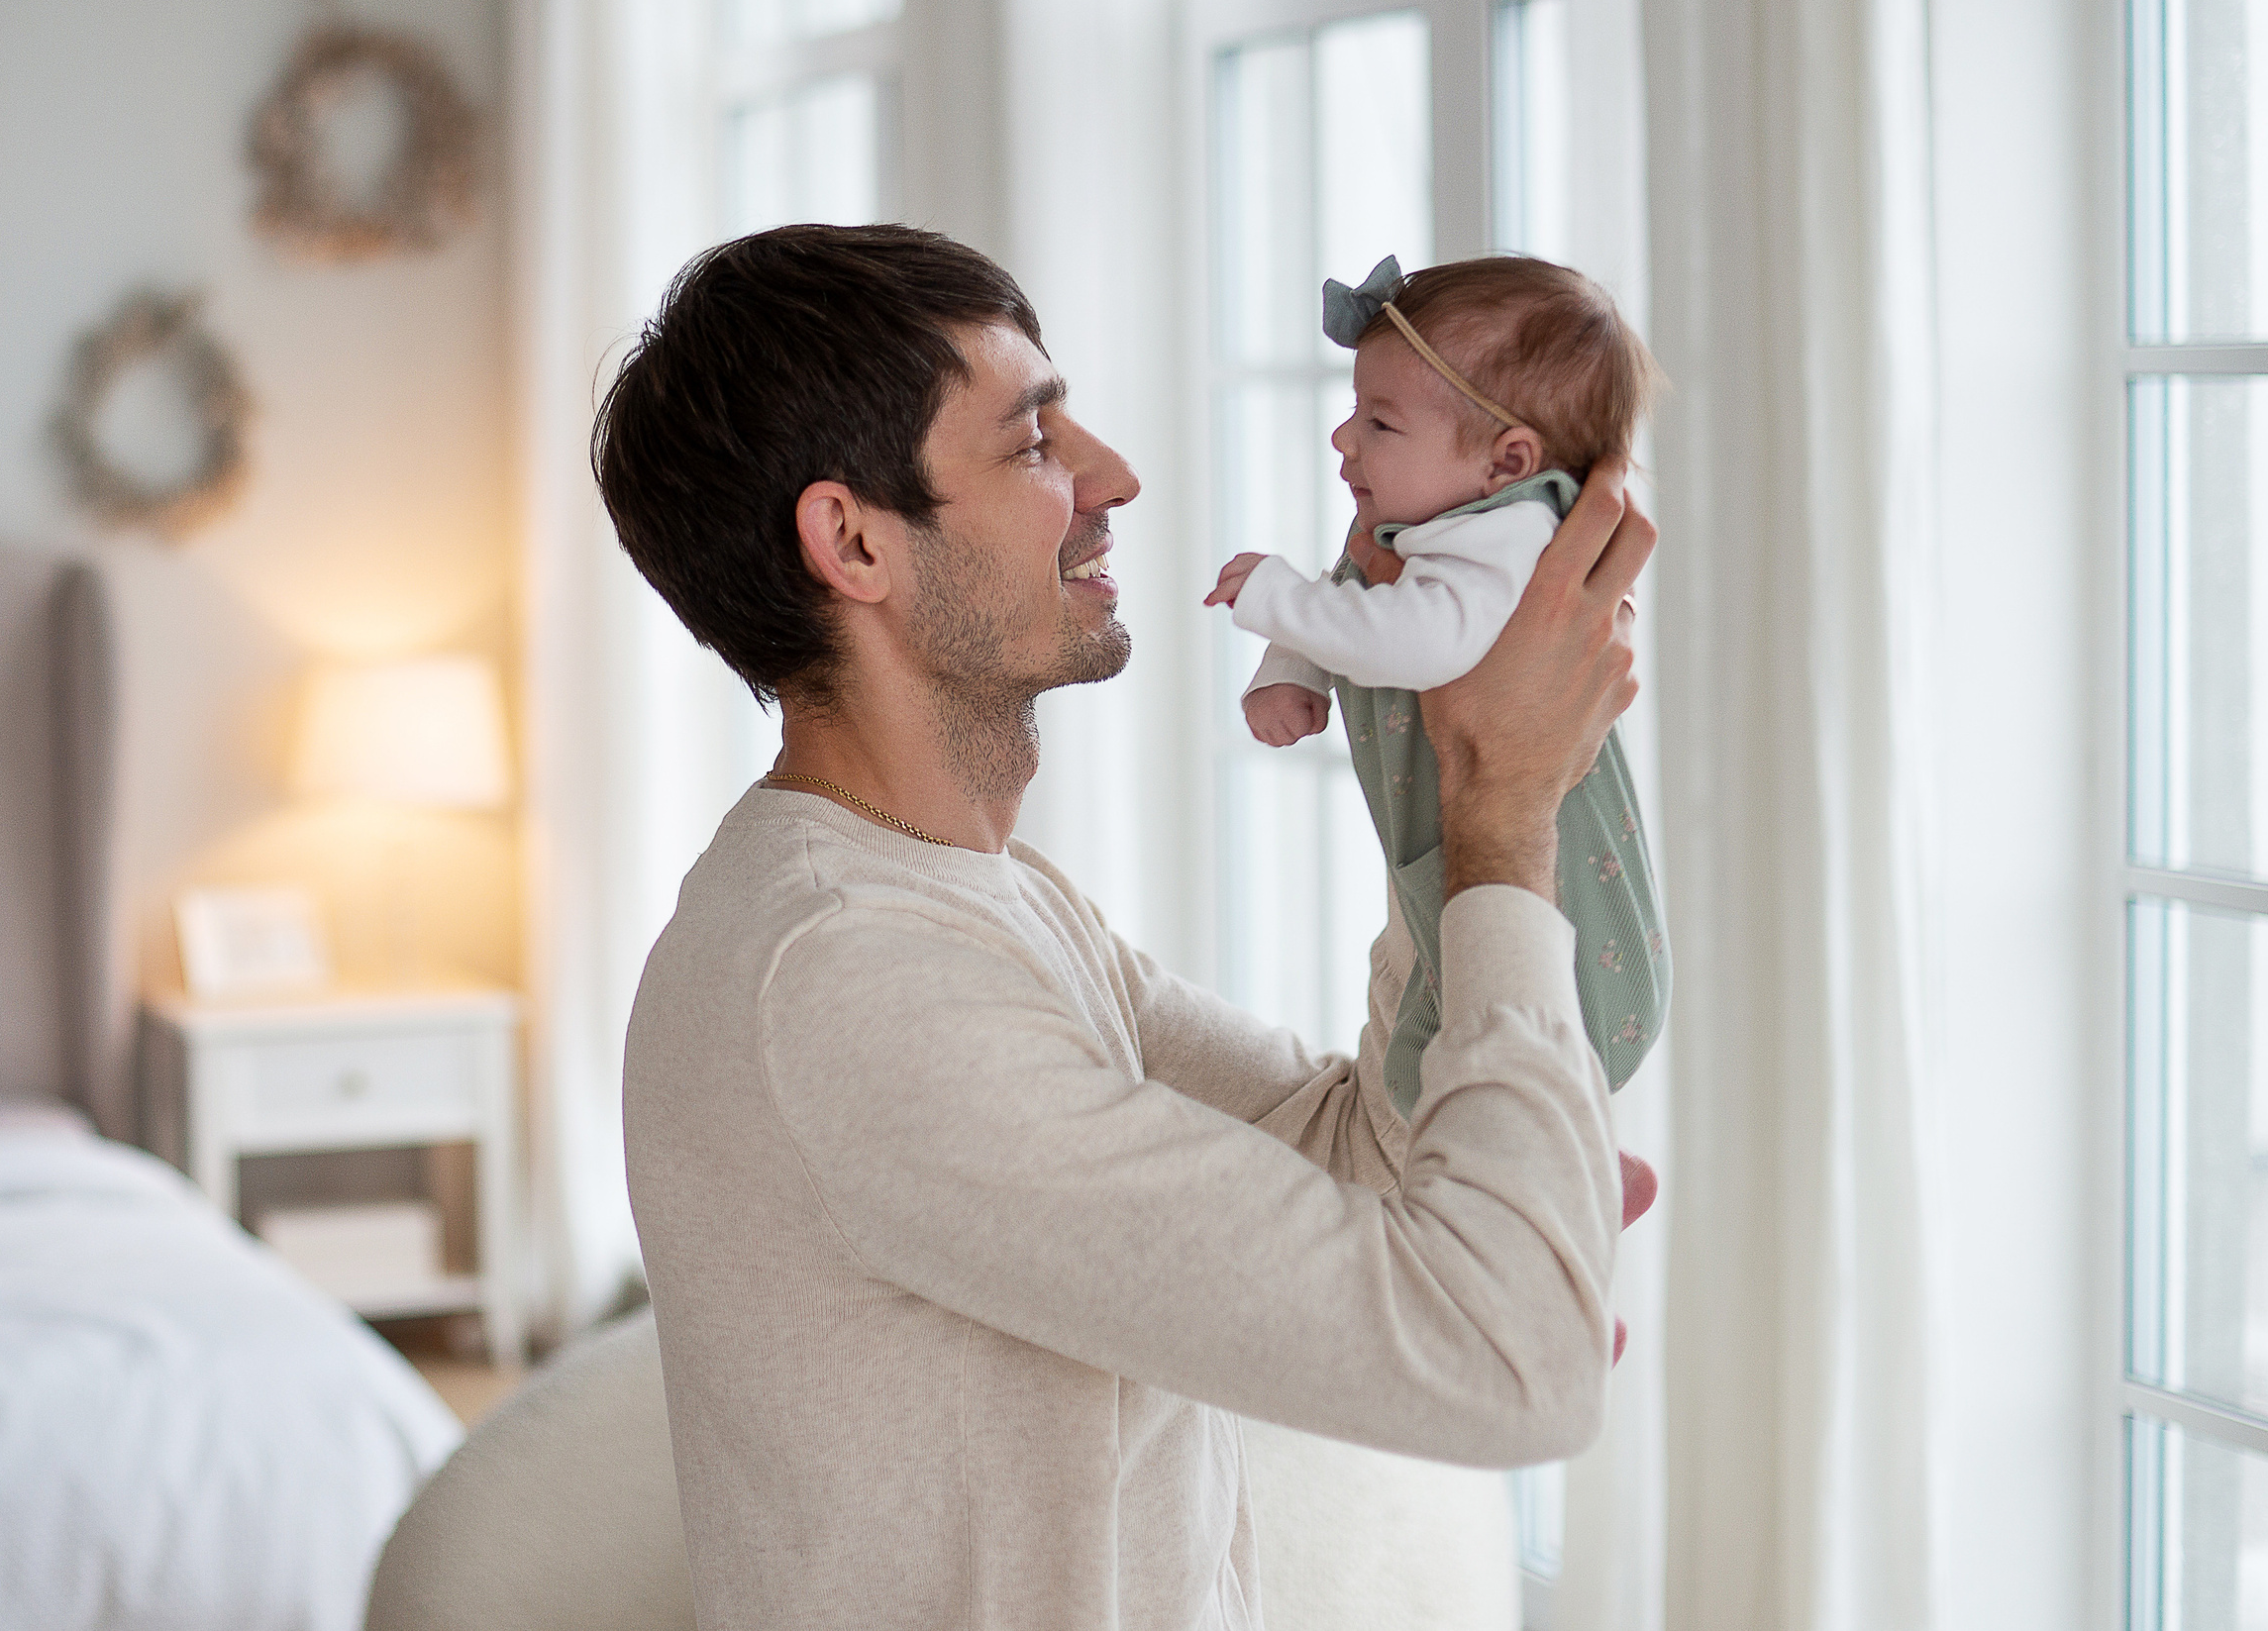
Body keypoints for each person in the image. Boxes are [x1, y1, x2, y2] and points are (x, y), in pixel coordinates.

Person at [598, 223, 1658, 1631]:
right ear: (854, 538)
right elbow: (1511, 1361)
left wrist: (1442, 753)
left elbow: (1358, 1146)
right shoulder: (853, 981)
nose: (1114, 477)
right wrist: (1504, 812)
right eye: (1034, 441)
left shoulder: (984, 897)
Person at [1203, 255, 1671, 1118]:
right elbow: (1351, 593)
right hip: (1447, 833)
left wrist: (1274, 598)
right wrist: (1292, 669)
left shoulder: (1513, 539)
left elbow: (1418, 640)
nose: (1344, 440)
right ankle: (1571, 1162)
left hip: (1534, 845)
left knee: (1510, 1020)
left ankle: (1553, 1167)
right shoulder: (1431, 528)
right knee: (1454, 1024)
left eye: (1379, 423)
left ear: (1508, 461)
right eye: (1353, 413)